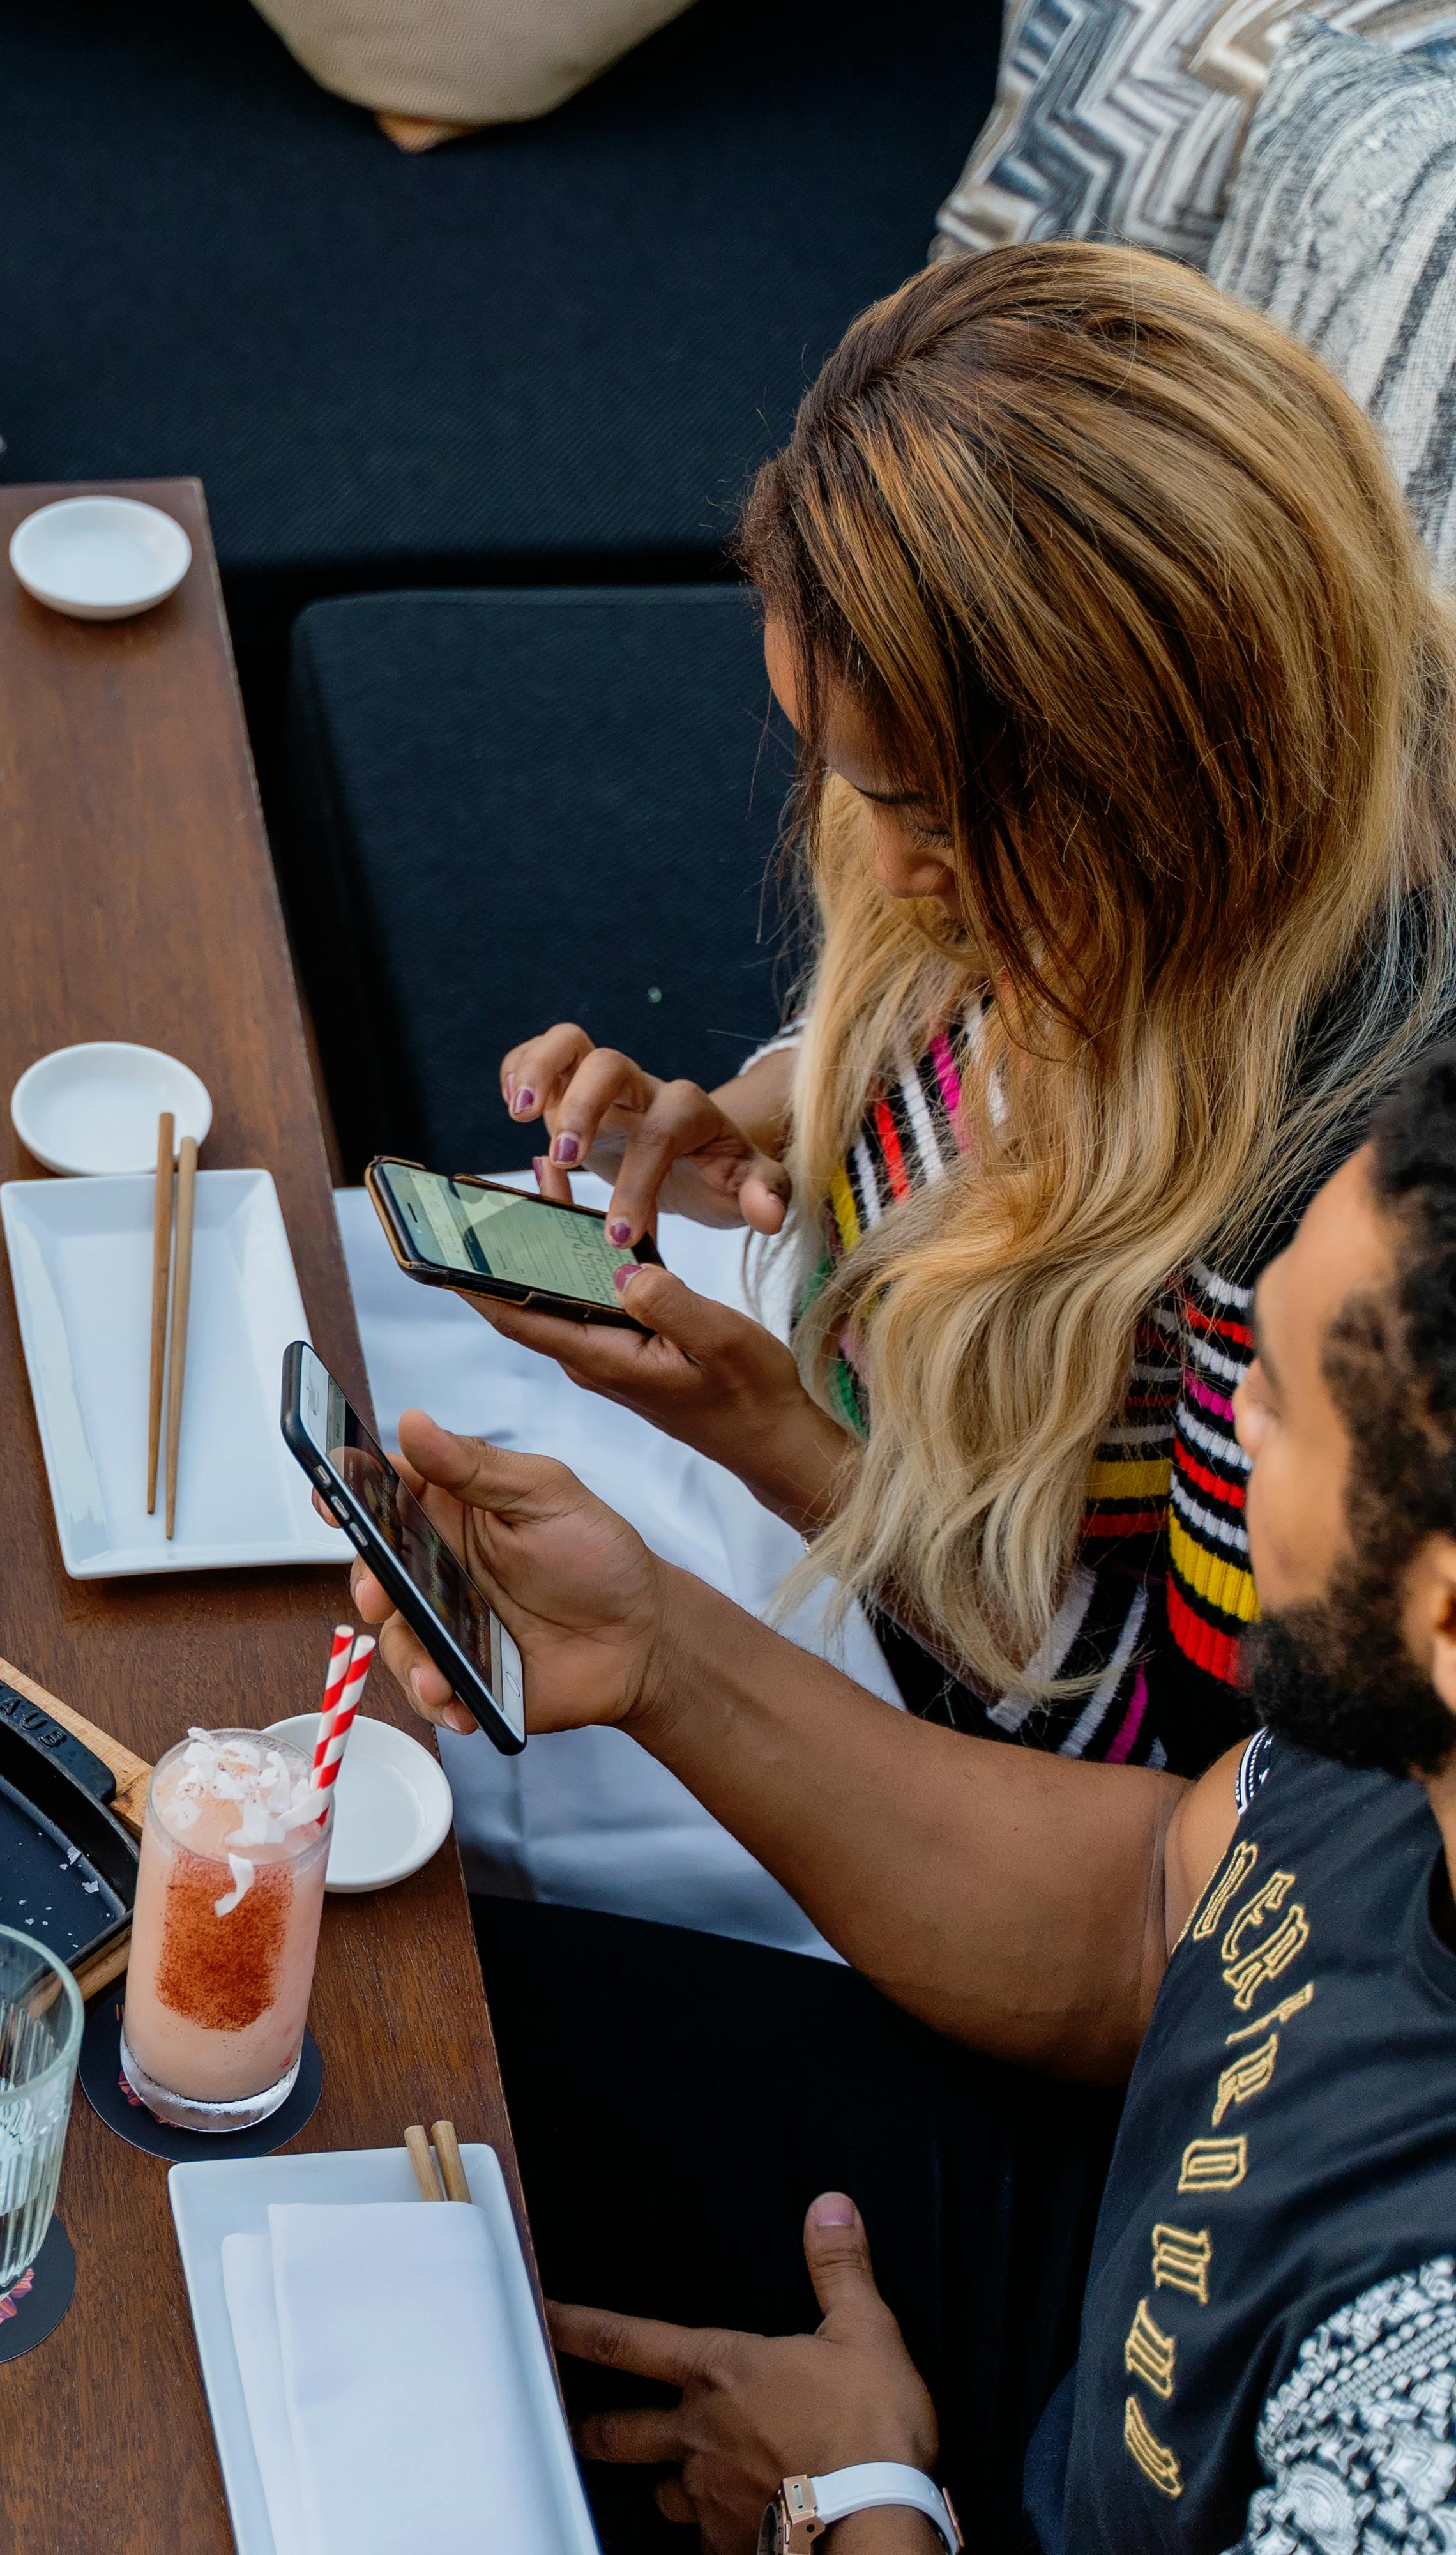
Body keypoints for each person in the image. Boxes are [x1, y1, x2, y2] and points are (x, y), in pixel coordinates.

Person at [406, 243, 1456, 1955]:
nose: (889, 874)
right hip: (854, 1450)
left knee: (380, 1801)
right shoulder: (1138, 863)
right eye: (844, 776)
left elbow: (1173, 1842)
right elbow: (965, 1046)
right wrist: (772, 1114)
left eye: (938, 818)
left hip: (938, 1737)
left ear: (1160, 785)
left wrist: (802, 1461)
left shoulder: (1315, 1237)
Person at [344, 1037, 1456, 2551]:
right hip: (1109, 2257)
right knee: (360, 2033)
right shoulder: (1396, 1728)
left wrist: (866, 2500)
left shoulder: (1405, 2414)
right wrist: (656, 1649)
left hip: (997, 2497)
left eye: (1274, 1395)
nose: (1226, 1413)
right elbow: (1157, 1911)